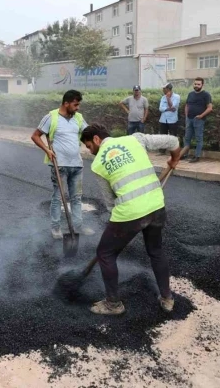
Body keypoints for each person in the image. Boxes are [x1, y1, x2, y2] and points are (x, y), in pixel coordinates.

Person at [80, 124, 181, 315]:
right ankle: (167, 298)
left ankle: (113, 304)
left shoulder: (98, 163)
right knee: (156, 251)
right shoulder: (135, 139)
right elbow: (174, 142)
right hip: (156, 205)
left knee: (105, 253)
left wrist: (118, 226)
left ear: (96, 139)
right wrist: (174, 159)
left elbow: (111, 204)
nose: (89, 151)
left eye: (88, 146)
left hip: (129, 213)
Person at [31, 90, 95, 239]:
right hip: (59, 165)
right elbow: (35, 136)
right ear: (66, 103)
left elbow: (88, 132)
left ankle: (78, 226)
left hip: (77, 165)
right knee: (58, 197)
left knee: (76, 197)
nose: (78, 107)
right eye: (75, 104)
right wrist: (47, 150)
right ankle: (56, 228)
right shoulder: (51, 117)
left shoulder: (78, 118)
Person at [181, 77, 213, 163]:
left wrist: (201, 115)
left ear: (202, 85)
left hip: (199, 120)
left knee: (199, 138)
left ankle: (197, 156)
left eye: (198, 84)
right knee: (187, 138)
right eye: (195, 84)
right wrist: (187, 116)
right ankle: (184, 154)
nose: (196, 86)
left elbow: (210, 108)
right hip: (189, 119)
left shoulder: (206, 95)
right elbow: (187, 105)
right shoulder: (190, 94)